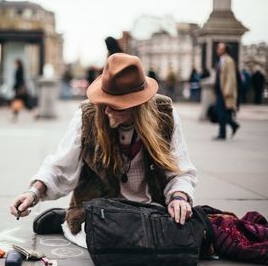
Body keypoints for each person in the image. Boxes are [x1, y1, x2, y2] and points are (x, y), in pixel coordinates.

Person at [10, 54, 197, 248]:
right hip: (100, 214)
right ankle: (68, 218)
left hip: (151, 211)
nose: (106, 111)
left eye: (115, 106)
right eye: (104, 101)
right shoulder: (87, 116)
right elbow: (60, 167)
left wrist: (179, 197)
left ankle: (63, 219)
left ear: (136, 105)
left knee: (171, 241)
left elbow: (180, 171)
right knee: (113, 244)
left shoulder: (165, 115)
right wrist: (33, 193)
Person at [213, 42, 239, 140]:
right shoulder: (221, 60)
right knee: (222, 112)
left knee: (221, 112)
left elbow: (231, 77)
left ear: (225, 50)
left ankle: (222, 133)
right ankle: (233, 125)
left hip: (225, 92)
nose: (218, 50)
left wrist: (227, 91)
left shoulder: (229, 61)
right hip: (220, 90)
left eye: (220, 48)